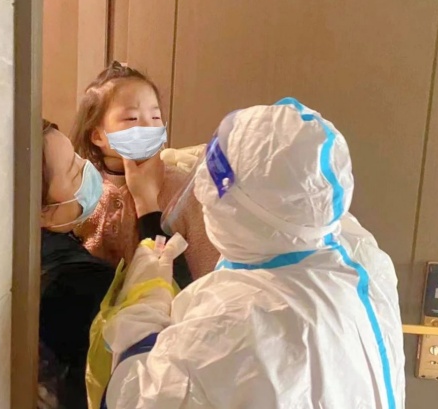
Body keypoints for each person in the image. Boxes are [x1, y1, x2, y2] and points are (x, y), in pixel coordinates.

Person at [99, 98, 406, 409]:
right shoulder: (362, 256)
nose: (202, 194)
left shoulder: (236, 317)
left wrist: (144, 309)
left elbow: (132, 397)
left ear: (234, 207)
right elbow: (291, 184)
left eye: (209, 187)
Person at [37, 119, 179, 408]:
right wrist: (148, 204)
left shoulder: (34, 249)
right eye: (74, 172)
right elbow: (162, 297)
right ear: (42, 212)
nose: (86, 168)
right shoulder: (79, 286)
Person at [70, 62, 219, 286]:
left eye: (156, 117)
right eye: (132, 118)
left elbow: (207, 277)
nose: (148, 126)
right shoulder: (81, 187)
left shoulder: (183, 189)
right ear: (98, 136)